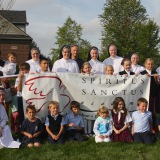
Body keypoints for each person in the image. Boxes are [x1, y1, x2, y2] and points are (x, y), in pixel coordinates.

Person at [81, 62, 94, 135]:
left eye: (88, 68)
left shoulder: (94, 76)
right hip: (84, 97)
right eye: (85, 68)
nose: (87, 69)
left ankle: (90, 131)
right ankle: (85, 131)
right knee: (85, 115)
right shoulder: (80, 76)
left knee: (90, 115)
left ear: (91, 68)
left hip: (92, 97)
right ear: (83, 69)